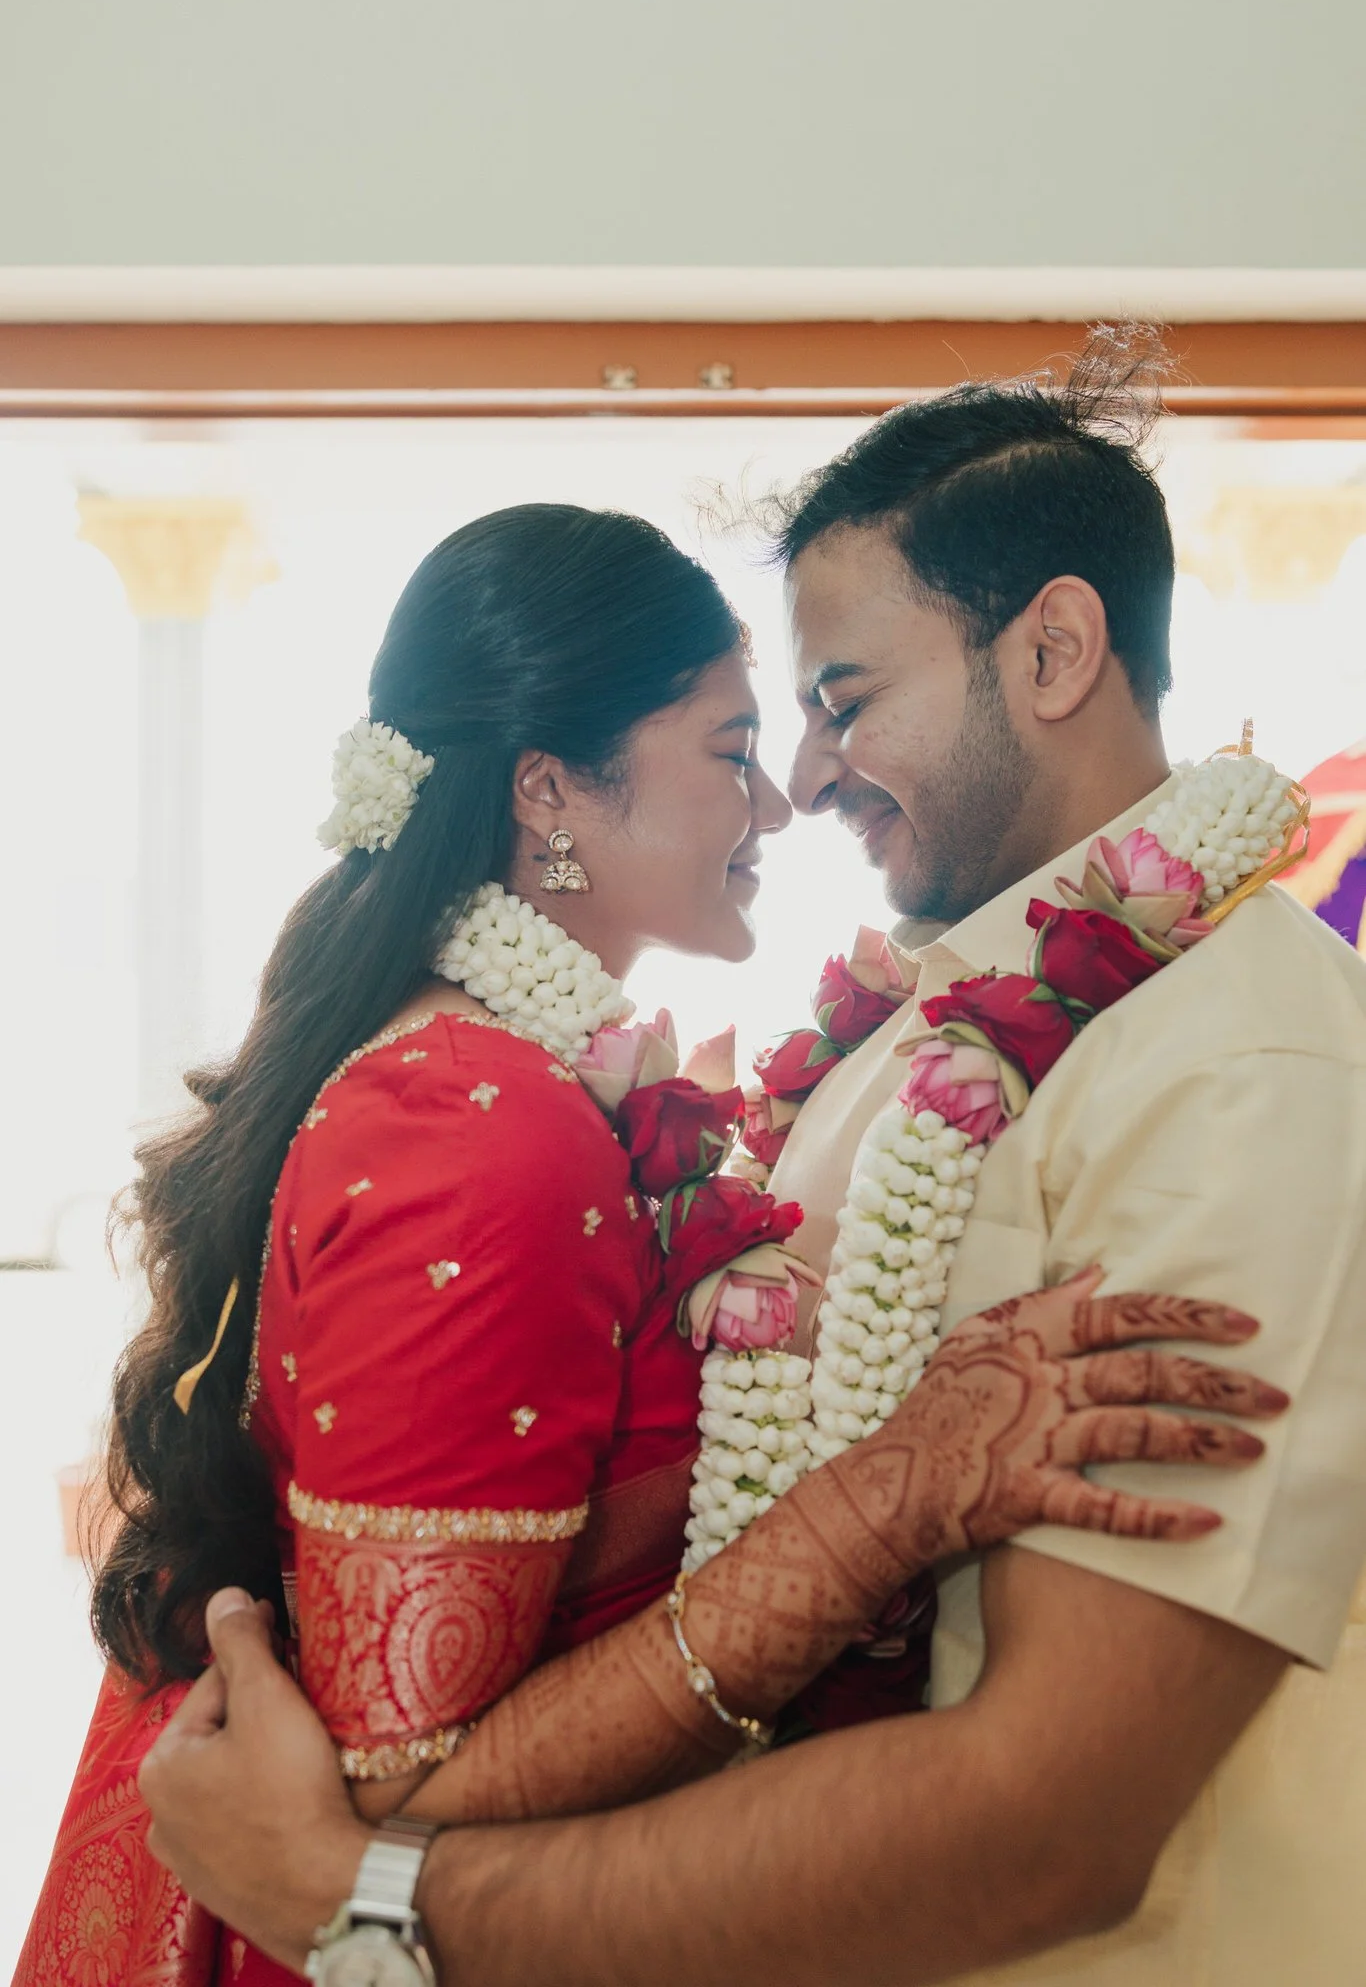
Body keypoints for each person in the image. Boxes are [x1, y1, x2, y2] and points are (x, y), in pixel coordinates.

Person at [138, 336, 1366, 1987]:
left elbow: (1051, 1823)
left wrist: (359, 1903)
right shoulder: (896, 1038)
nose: (797, 784)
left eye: (841, 703)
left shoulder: (1237, 1063)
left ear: (1054, 649)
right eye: (753, 736)